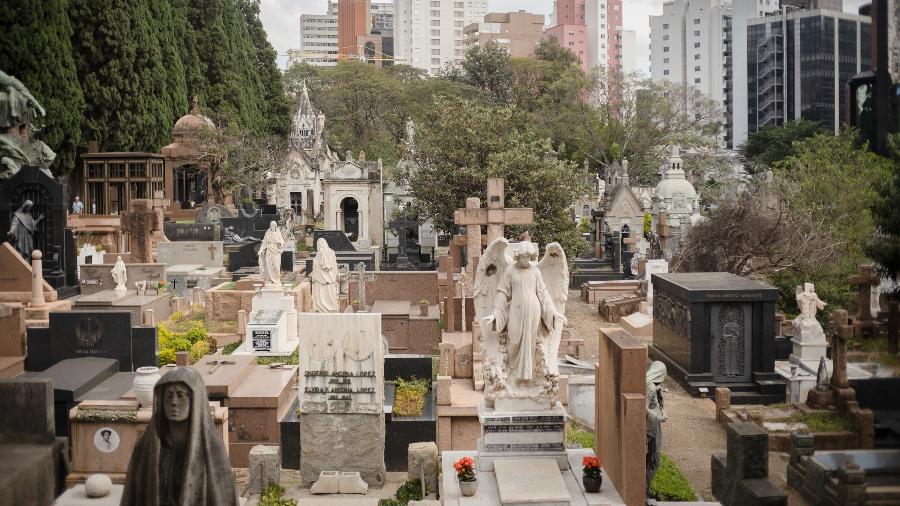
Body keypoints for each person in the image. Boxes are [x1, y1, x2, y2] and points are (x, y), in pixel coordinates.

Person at [121, 367, 238, 506]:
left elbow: (223, 498)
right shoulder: (145, 448)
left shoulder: (211, 450)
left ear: (195, 399)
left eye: (181, 395)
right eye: (169, 396)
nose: (174, 402)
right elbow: (132, 497)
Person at [484, 241, 565, 382]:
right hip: (516, 310)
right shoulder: (510, 271)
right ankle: (512, 373)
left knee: (530, 342)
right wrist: (495, 312)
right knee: (514, 339)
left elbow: (543, 294)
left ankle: (527, 376)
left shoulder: (535, 271)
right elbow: (502, 293)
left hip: (533, 311)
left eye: (528, 257)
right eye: (523, 257)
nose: (526, 260)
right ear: (518, 256)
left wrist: (553, 311)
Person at [311, 238, 339, 312]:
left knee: (322, 297)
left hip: (321, 281)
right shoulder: (332, 252)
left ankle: (322, 309)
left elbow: (320, 265)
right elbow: (334, 265)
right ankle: (332, 308)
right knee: (330, 296)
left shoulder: (320, 253)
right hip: (330, 280)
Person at [257, 221, 284, 286]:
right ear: (270, 226)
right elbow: (264, 242)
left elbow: (282, 242)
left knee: (276, 266)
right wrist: (261, 250)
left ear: (276, 226)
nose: (272, 226)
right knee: (269, 266)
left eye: (274, 225)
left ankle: (277, 279)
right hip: (269, 251)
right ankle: (270, 280)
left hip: (276, 251)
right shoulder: (267, 233)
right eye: (271, 225)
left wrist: (278, 242)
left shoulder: (278, 233)